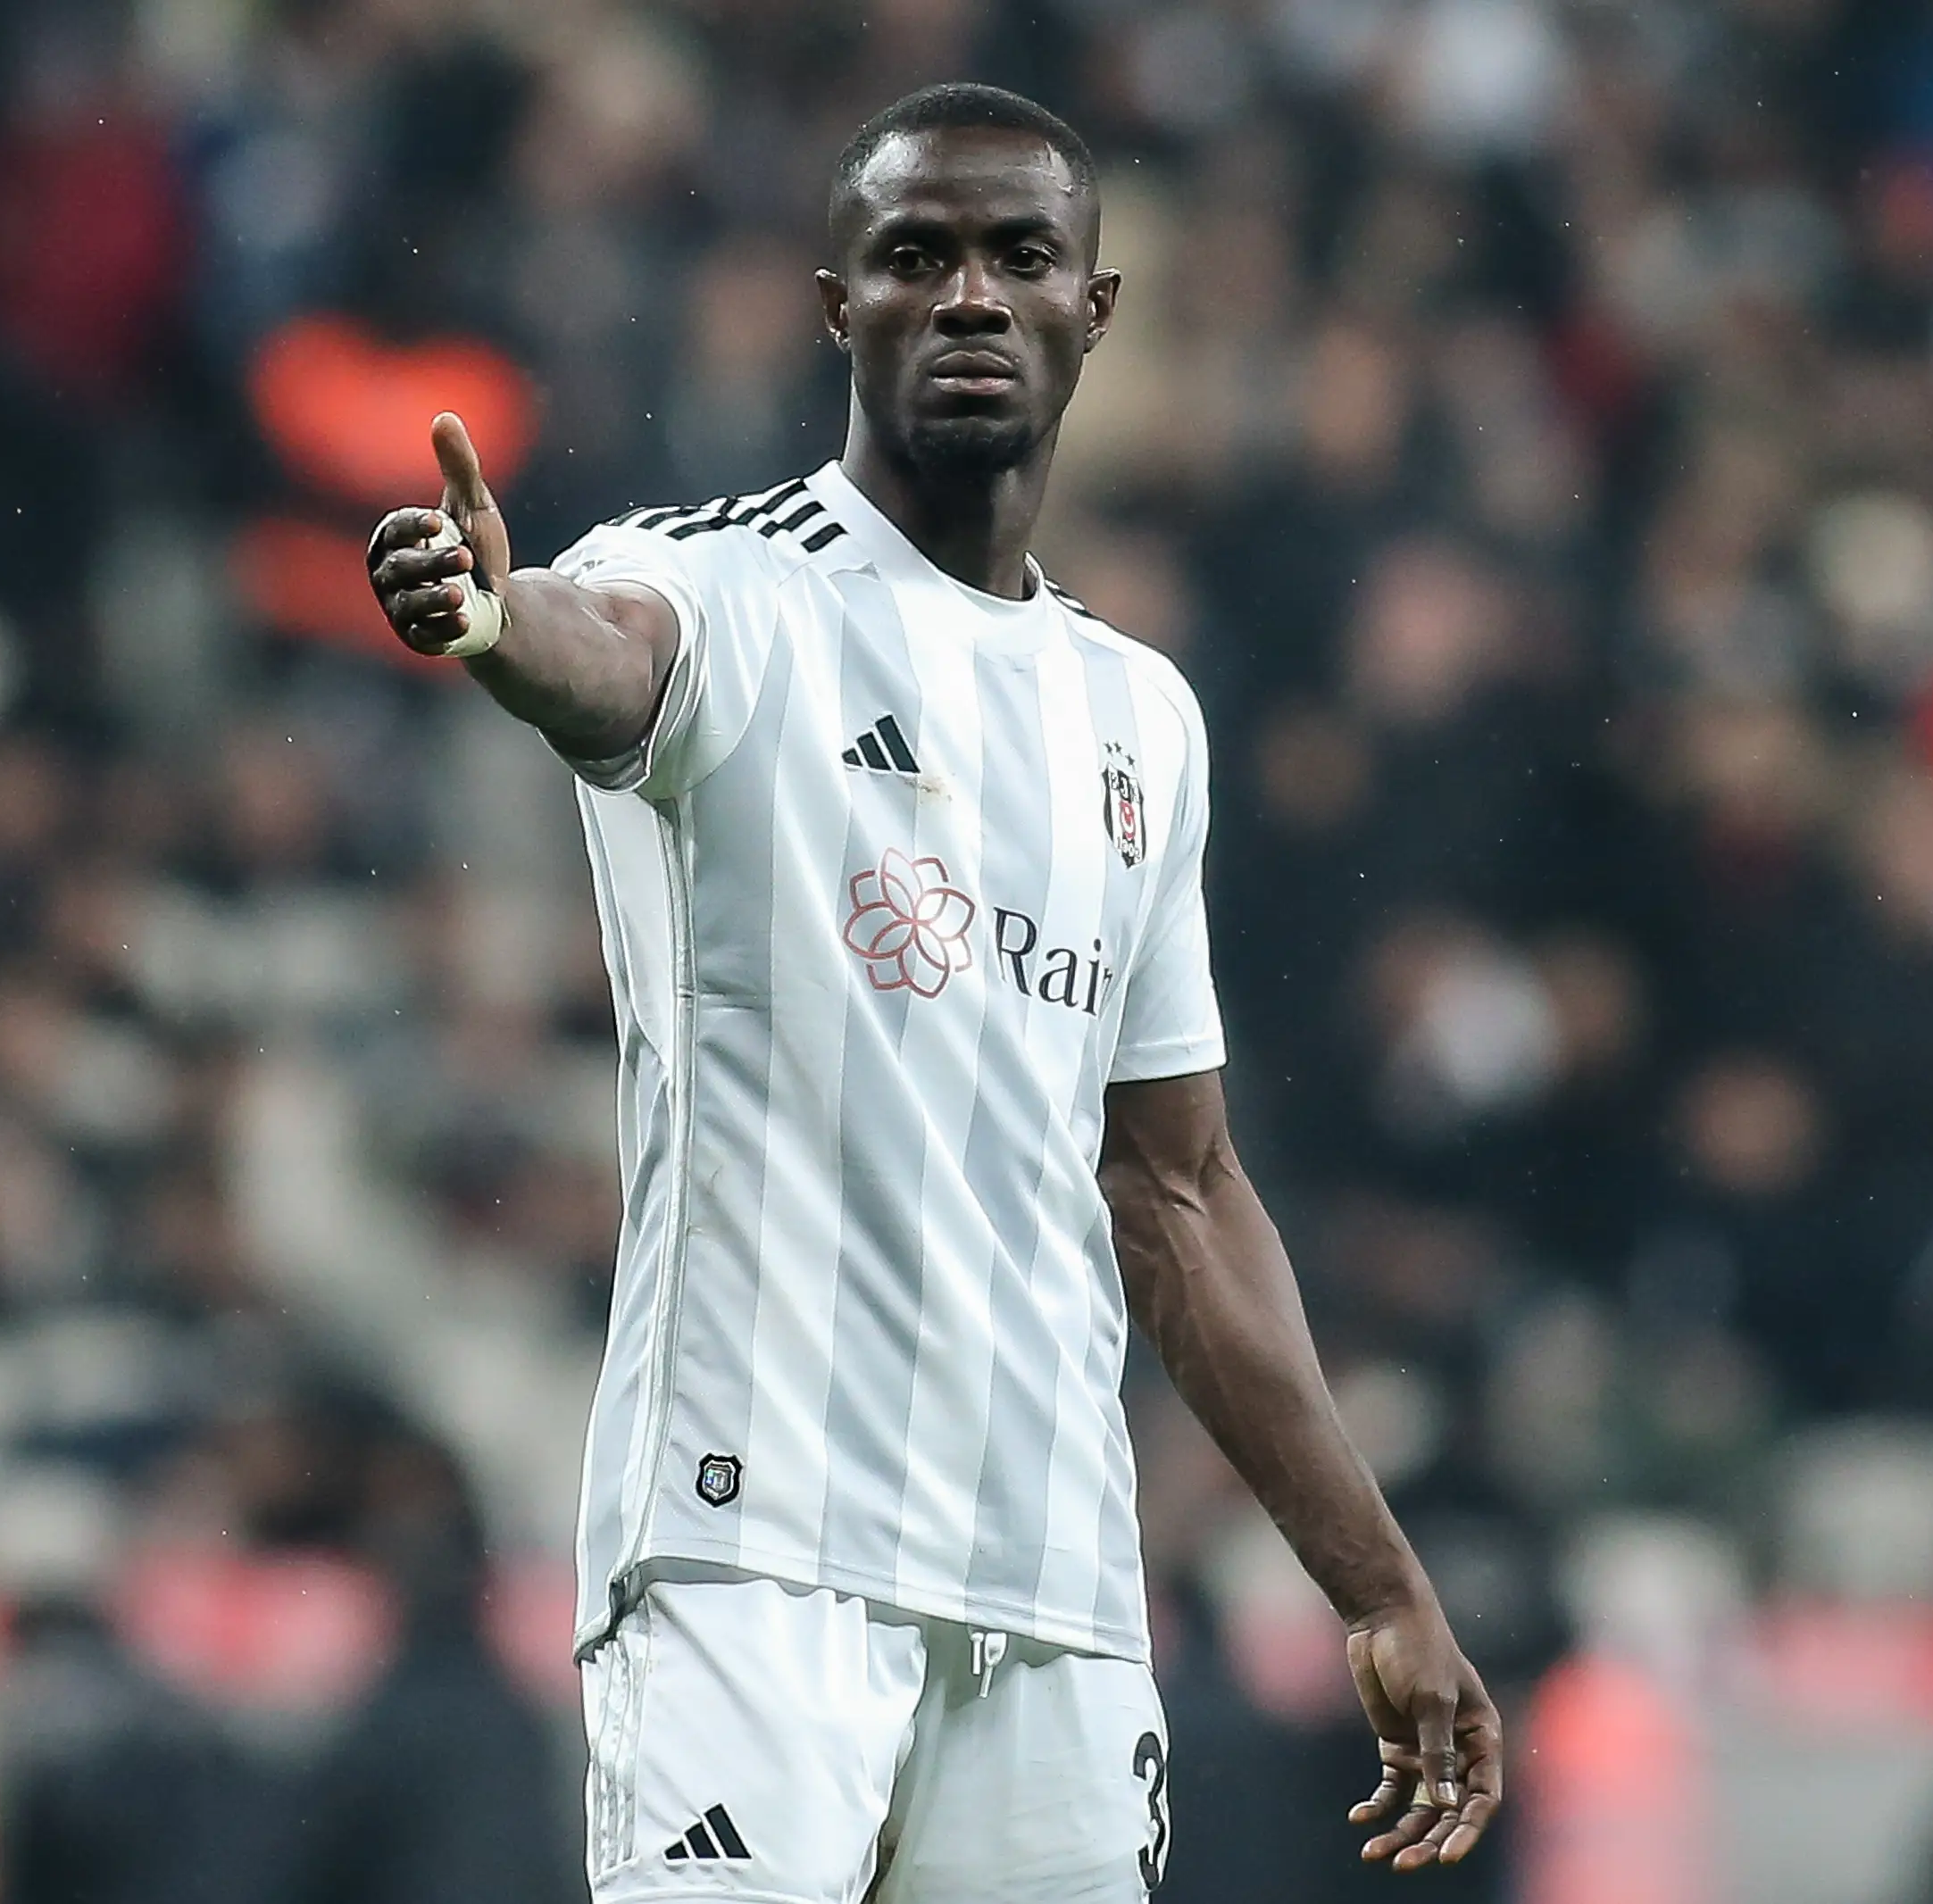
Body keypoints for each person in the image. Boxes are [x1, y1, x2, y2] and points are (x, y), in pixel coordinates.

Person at [365, 82, 1502, 1903]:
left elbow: (1181, 1195)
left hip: (1053, 1591)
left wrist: (1378, 1585)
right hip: (757, 1556)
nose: (969, 294)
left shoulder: (1140, 716)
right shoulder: (717, 585)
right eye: (915, 256)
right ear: (840, 304)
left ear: (1094, 312)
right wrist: (502, 626)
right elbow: (605, 661)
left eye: (1019, 257)